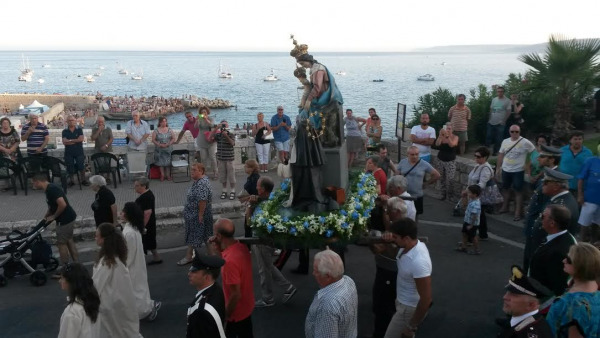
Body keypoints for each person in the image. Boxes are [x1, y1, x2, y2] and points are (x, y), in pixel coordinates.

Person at [249, 177, 297, 308]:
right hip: (266, 240)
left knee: (263, 270)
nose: (256, 188)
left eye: (258, 186)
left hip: (261, 240)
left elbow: (250, 222)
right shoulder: (272, 201)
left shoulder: (264, 204)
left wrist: (250, 206)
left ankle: (268, 298)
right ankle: (288, 287)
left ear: (263, 189)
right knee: (268, 266)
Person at [382, 218, 433, 338]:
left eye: (395, 237)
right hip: (402, 303)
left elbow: (426, 300)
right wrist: (388, 241)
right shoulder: (408, 247)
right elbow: (392, 254)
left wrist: (411, 326)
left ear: (406, 238)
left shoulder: (418, 262)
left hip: (408, 309)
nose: (393, 239)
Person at [92, 223, 142, 338]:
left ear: (103, 239)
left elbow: (96, 285)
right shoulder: (115, 258)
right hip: (120, 301)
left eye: (97, 236)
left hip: (109, 304)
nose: (95, 238)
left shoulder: (106, 262)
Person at [208, 218, 255, 338]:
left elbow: (235, 294)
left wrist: (225, 315)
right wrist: (218, 247)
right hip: (246, 306)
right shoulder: (241, 247)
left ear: (218, 235)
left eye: (215, 233)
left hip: (236, 314)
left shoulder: (230, 262)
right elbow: (224, 259)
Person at [369, 197, 407, 338]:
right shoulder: (402, 225)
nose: (387, 213)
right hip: (389, 271)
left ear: (396, 212)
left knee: (382, 307)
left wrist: (374, 244)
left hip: (389, 273)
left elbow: (383, 250)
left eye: (389, 211)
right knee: (383, 306)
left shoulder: (398, 231)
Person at [546, 242, 600, 337]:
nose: (564, 260)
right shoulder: (596, 294)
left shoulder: (571, 304)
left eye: (569, 259)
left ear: (581, 265)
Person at [523, 147, 563, 270]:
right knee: (529, 256)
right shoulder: (546, 175)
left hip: (538, 226)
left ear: (551, 160)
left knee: (534, 258)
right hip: (533, 223)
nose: (538, 159)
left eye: (542, 157)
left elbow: (547, 207)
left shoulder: (553, 179)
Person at [33, 174, 79, 279]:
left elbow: (62, 204)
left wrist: (54, 216)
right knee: (69, 240)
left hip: (65, 220)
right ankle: (76, 265)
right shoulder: (49, 189)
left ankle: (65, 269)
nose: (33, 185)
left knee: (61, 243)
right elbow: (52, 205)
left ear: (38, 181)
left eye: (33, 183)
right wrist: (46, 217)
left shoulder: (51, 189)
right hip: (68, 218)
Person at [120, 202, 161, 321]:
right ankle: (146, 307)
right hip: (137, 264)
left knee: (136, 289)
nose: (121, 213)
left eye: (123, 212)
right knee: (139, 288)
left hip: (132, 266)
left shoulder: (129, 232)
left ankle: (145, 310)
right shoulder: (133, 228)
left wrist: (123, 267)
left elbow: (129, 254)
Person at [305, 249, 358, 338]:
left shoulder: (327, 305)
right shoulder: (349, 281)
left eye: (316, 271)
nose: (313, 273)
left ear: (328, 276)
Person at [529, 205, 577, 300]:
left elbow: (557, 286)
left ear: (552, 223)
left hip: (540, 298)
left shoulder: (558, 252)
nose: (540, 218)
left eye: (543, 216)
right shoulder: (567, 237)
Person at [497, 265, 553, 338]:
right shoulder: (522, 322)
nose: (505, 297)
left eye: (514, 295)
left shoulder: (532, 333)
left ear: (531, 305)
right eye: (507, 293)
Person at [496, 125, 535, 221]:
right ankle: (505, 207)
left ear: (519, 132)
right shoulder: (505, 141)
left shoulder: (525, 142)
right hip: (506, 169)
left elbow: (534, 152)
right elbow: (501, 155)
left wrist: (528, 164)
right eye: (512, 131)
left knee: (518, 191)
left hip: (518, 170)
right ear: (509, 132)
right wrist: (498, 168)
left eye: (516, 132)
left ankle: (517, 213)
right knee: (506, 188)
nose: (514, 133)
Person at [179, 163, 213, 266]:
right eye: (191, 170)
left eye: (194, 170)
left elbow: (202, 200)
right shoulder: (199, 181)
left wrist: (200, 215)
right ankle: (212, 254)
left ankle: (189, 256)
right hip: (198, 213)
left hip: (197, 215)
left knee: (194, 236)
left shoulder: (201, 184)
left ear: (201, 171)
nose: (192, 172)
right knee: (206, 235)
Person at [187, 254, 227, 338]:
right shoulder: (216, 289)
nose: (189, 274)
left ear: (207, 277)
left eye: (194, 271)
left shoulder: (201, 312)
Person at [57, 263, 100, 338]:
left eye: (62, 278)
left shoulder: (72, 312)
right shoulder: (92, 302)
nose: (59, 281)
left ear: (71, 282)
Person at [397, 146, 440, 216]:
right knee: (402, 215)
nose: (415, 156)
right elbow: (396, 176)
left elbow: (437, 175)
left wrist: (426, 183)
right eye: (412, 154)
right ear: (407, 154)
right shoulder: (403, 162)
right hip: (404, 194)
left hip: (417, 196)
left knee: (415, 215)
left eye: (417, 154)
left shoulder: (423, 164)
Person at [463, 146, 495, 240]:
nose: (476, 158)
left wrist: (469, 191)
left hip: (478, 196)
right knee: (480, 216)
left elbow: (482, 184)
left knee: (475, 215)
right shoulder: (478, 166)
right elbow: (471, 180)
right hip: (474, 194)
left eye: (478, 156)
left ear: (485, 157)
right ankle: (483, 234)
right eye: (475, 156)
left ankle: (472, 236)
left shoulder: (485, 168)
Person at [134, 177, 162, 264]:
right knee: (149, 241)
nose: (135, 187)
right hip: (149, 222)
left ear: (144, 186)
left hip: (147, 223)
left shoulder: (145, 197)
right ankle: (156, 258)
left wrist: (142, 226)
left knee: (144, 241)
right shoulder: (148, 194)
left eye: (137, 186)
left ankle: (139, 261)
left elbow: (147, 213)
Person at [577, 149, 600, 243]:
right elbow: (581, 179)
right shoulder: (590, 161)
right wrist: (580, 195)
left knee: (597, 222)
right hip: (589, 198)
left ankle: (593, 243)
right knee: (584, 222)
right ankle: (581, 243)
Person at [210, 120, 236, 200]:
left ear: (228, 126)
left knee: (231, 176)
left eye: (225, 125)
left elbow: (232, 143)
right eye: (223, 125)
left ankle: (233, 191)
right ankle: (224, 190)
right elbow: (210, 138)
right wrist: (216, 128)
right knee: (222, 176)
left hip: (229, 159)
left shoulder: (231, 134)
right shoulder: (218, 135)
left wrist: (226, 136)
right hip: (221, 159)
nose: (224, 127)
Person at [62, 114, 90, 186]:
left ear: (75, 121)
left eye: (72, 120)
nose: (71, 122)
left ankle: (83, 180)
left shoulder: (79, 129)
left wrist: (70, 140)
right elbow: (64, 142)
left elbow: (81, 139)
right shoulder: (64, 131)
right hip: (69, 152)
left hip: (79, 152)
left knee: (81, 166)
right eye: (70, 120)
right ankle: (72, 181)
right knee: (70, 167)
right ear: (67, 122)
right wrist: (75, 141)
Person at [435, 122, 459, 201]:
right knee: (441, 178)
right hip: (440, 160)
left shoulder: (455, 137)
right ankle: (443, 194)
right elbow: (437, 144)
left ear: (452, 130)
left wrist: (447, 136)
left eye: (449, 129)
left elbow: (452, 145)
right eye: (446, 128)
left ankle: (450, 195)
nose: (447, 130)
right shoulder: (442, 137)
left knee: (450, 179)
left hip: (450, 161)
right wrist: (440, 136)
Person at [456, 185, 482, 255]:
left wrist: (471, 225)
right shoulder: (472, 200)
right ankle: (464, 247)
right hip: (467, 221)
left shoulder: (476, 204)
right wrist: (464, 196)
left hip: (472, 223)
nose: (468, 194)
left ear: (475, 194)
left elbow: (475, 216)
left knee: (473, 237)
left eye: (470, 193)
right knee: (464, 233)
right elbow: (465, 204)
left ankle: (477, 250)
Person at [486, 86, 511, 156]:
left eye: (501, 91)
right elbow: (491, 109)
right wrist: (489, 119)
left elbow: (509, 111)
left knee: (499, 138)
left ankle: (495, 151)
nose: (500, 93)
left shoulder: (507, 100)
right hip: (491, 122)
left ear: (503, 92)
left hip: (500, 123)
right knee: (488, 137)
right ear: (497, 92)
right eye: (498, 91)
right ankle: (486, 151)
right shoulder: (494, 99)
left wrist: (504, 121)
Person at [151, 116, 175, 181]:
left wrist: (168, 144)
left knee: (167, 163)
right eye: (162, 121)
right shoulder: (156, 130)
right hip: (159, 149)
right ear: (160, 122)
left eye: (165, 121)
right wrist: (159, 144)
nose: (164, 123)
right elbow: (153, 140)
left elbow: (173, 138)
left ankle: (168, 175)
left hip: (168, 148)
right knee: (161, 163)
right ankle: (162, 175)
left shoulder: (170, 129)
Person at [242, 160, 260, 238]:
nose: (244, 167)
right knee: (248, 225)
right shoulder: (251, 177)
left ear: (251, 168)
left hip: (253, 204)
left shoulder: (254, 178)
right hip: (250, 202)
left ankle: (249, 245)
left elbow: (254, 191)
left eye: (246, 166)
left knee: (248, 225)